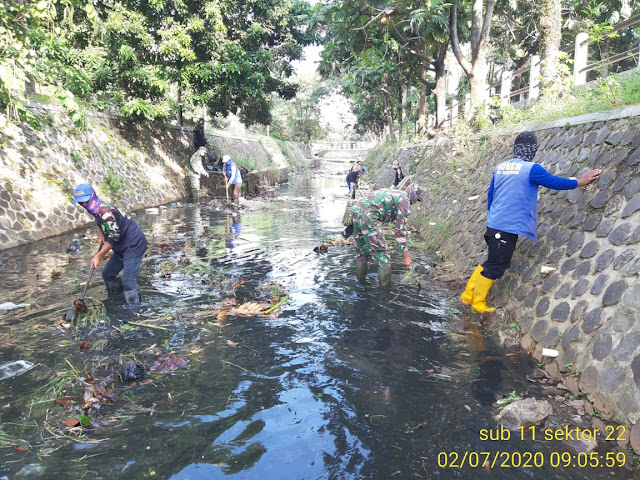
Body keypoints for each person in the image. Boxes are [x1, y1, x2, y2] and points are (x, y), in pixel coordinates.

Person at [460, 131, 601, 313]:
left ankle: (466, 296)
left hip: (495, 223)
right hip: (506, 226)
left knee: (492, 261)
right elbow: (555, 182)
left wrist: (496, 214)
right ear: (533, 149)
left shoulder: (501, 167)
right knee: (497, 265)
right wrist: (580, 181)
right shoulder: (531, 169)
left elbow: (490, 195)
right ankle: (478, 304)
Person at [72, 184, 148, 305]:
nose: (83, 205)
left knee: (128, 280)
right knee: (107, 274)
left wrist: (99, 255)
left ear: (92, 196)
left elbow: (114, 235)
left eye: (85, 202)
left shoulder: (105, 211)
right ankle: (117, 299)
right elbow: (99, 221)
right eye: (81, 203)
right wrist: (101, 233)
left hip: (133, 244)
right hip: (121, 246)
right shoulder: (96, 209)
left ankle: (136, 309)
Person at [351, 184, 423, 286]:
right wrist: (406, 255)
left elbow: (377, 206)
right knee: (383, 256)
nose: (415, 202)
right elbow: (399, 231)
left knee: (362, 251)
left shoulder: (395, 193)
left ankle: (360, 284)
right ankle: (385, 294)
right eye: (417, 199)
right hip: (368, 216)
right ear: (414, 195)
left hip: (356, 211)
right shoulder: (405, 201)